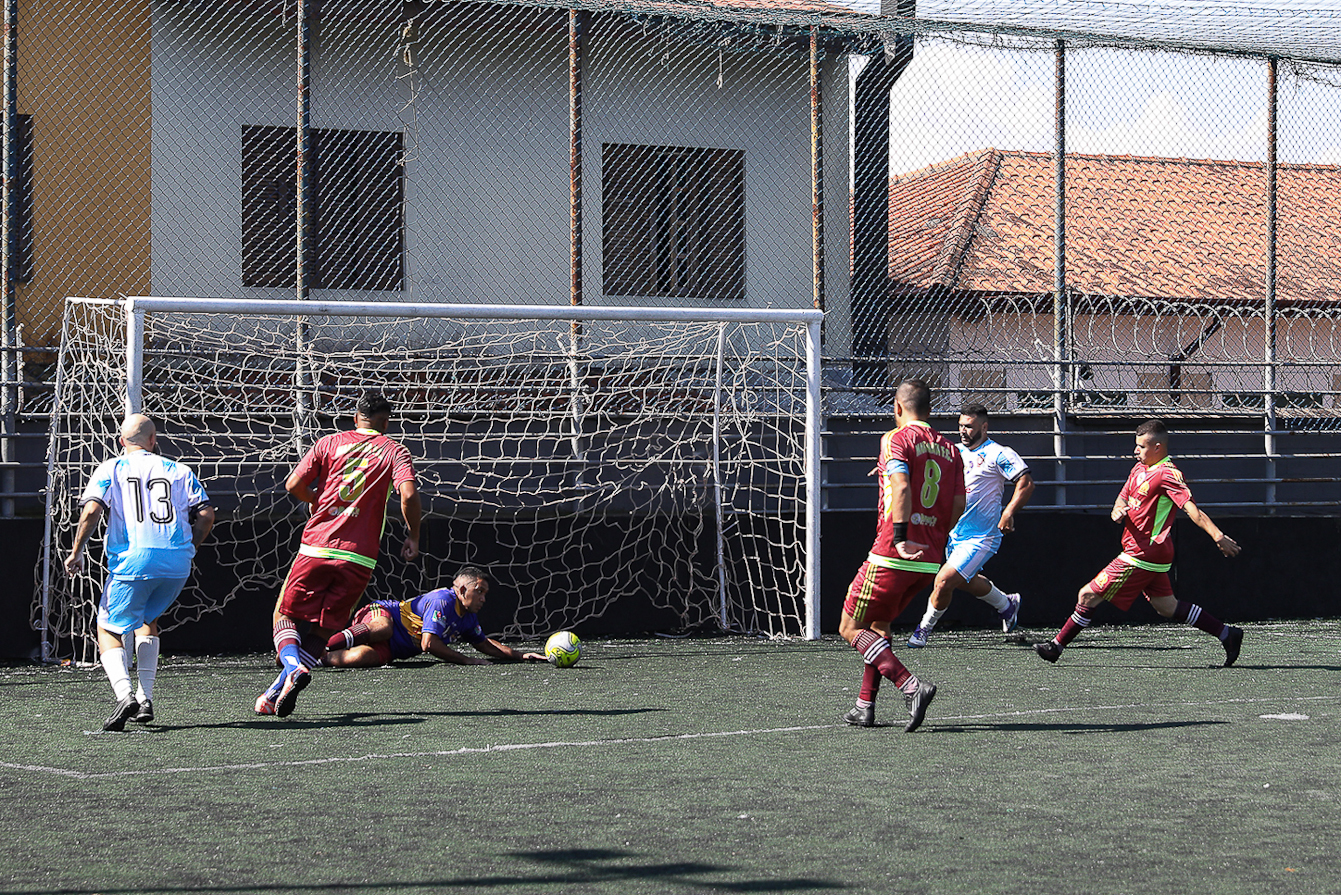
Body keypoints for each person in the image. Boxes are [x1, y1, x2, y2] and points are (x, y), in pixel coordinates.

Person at [256, 390, 422, 717]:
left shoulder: (328, 443)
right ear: (385, 422)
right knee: (322, 629)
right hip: (359, 556)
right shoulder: (394, 451)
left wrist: (317, 499)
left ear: (355, 417)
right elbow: (409, 494)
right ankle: (277, 690)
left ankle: (292, 668)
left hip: (317, 546)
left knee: (283, 616)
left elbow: (293, 486)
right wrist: (413, 534)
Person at [1035, 418, 1243, 665]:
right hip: (1144, 552)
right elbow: (1121, 499)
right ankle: (1227, 633)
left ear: (1158, 447)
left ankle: (1056, 647)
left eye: (1142, 447)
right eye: (1136, 445)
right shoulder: (1138, 470)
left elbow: (1192, 510)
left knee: (1087, 595)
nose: (1136, 451)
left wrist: (1218, 536)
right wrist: (1117, 511)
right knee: (1167, 607)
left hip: (1143, 553)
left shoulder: (1168, 474)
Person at [64, 414, 215, 731]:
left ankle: (125, 695)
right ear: (153, 440)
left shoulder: (112, 468)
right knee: (148, 621)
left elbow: (92, 510)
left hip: (134, 560)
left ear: (121, 442)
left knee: (108, 630)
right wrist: (190, 550)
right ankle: (146, 698)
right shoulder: (179, 469)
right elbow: (206, 515)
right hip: (176, 563)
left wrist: (76, 552)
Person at [839, 379, 965, 732]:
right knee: (879, 625)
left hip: (894, 554)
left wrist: (901, 537)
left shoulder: (895, 438)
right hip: (929, 559)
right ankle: (865, 705)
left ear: (897, 407)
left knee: (849, 627)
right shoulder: (951, 450)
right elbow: (958, 506)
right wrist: (933, 534)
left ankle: (911, 686)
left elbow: (904, 485)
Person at [908, 403, 1034, 647]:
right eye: (960, 426)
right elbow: (923, 466)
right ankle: (1007, 605)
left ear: (983, 427)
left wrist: (1008, 512)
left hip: (982, 537)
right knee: (965, 581)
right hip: (954, 534)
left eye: (968, 426)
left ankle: (923, 629)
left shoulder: (999, 453)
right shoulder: (953, 452)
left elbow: (1026, 483)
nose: (963, 431)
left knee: (944, 581)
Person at [323, 566, 546, 667]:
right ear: (461, 590)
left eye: (485, 594)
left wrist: (520, 655)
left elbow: (485, 644)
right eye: (479, 592)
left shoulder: (467, 617)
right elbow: (428, 644)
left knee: (361, 658)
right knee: (383, 628)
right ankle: (320, 646)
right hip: (383, 613)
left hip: (394, 649)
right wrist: (465, 659)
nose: (483, 599)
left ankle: (317, 659)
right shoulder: (443, 600)